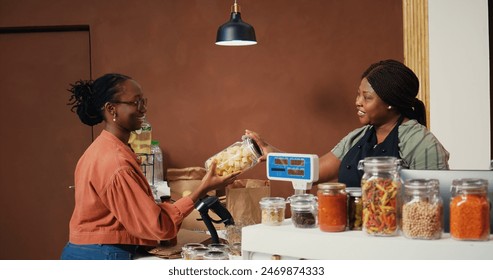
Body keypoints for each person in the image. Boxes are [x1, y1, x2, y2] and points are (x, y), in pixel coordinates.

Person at [61, 73, 238, 260]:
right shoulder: (117, 163)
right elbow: (158, 227)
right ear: (111, 109)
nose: (143, 109)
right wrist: (202, 189)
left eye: (143, 101)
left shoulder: (102, 149)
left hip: (85, 251)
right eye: (136, 102)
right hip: (100, 256)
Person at [247, 59, 449, 188]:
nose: (357, 102)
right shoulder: (359, 137)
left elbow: (434, 203)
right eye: (358, 94)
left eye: (366, 97)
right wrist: (273, 154)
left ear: (390, 103)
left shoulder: (421, 142)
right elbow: (314, 171)